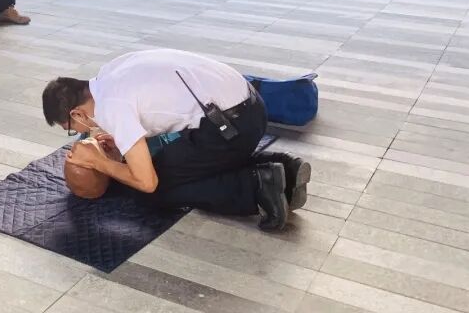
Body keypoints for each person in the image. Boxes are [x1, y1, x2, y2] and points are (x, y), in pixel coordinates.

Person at [42, 49, 311, 231]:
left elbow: (147, 182)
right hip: (250, 105)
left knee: (156, 189)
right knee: (180, 162)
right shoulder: (109, 73)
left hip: (233, 127)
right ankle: (284, 168)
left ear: (77, 113)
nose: (81, 130)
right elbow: (156, 105)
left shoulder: (111, 107)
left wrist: (99, 163)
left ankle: (256, 186)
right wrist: (121, 141)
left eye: (72, 128)